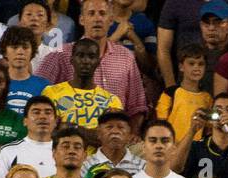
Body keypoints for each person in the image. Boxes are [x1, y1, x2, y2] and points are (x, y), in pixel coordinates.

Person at [35, 0, 149, 128]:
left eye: (102, 13)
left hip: (114, 137)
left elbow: (137, 106)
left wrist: (132, 134)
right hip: (68, 138)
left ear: (111, 20)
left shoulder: (126, 56)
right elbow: (36, 94)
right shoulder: (59, 55)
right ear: (81, 20)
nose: (97, 19)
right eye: (91, 13)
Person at [42, 36, 124, 133]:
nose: (85, 61)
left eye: (91, 57)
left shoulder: (112, 101)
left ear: (98, 62)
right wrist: (94, 132)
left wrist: (73, 128)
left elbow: (110, 137)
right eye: (80, 56)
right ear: (71, 60)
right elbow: (48, 132)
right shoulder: (51, 93)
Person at [157, 43, 211, 138]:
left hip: (196, 149)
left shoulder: (207, 98)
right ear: (181, 67)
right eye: (191, 63)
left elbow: (208, 128)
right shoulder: (170, 93)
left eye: (201, 64)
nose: (196, 68)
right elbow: (160, 124)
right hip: (172, 148)